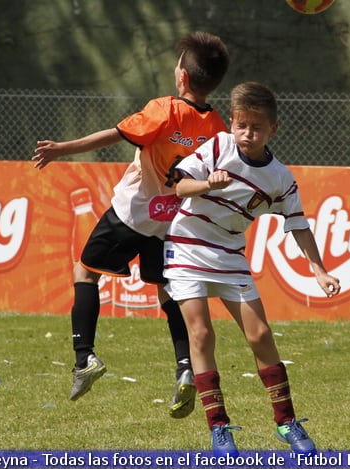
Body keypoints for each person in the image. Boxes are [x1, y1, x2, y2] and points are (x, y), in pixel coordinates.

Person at [31, 32, 230, 419]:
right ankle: (185, 366)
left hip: (132, 213)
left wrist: (61, 149)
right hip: (172, 223)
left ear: (183, 78)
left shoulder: (164, 110)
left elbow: (116, 134)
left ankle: (84, 357)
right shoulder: (218, 127)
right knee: (167, 291)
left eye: (178, 64)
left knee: (85, 272)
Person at [162, 82, 341, 455]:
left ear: (273, 130)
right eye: (241, 125)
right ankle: (219, 429)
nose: (247, 133)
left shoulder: (280, 178)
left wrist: (319, 270)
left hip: (230, 253)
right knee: (201, 334)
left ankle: (287, 422)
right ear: (232, 124)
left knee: (259, 334)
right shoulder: (217, 147)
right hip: (187, 246)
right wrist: (205, 183)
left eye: (256, 127)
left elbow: (298, 225)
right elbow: (179, 187)